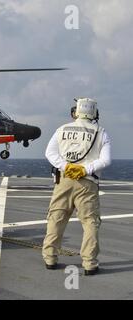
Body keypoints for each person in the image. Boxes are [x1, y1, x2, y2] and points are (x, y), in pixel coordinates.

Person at [43, 98, 111, 276]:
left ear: (76, 112)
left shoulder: (62, 129)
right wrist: (84, 169)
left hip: (63, 180)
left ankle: (50, 258)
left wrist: (67, 167)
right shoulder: (101, 132)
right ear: (94, 113)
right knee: (90, 222)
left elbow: (49, 153)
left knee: (56, 218)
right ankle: (89, 263)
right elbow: (106, 160)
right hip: (87, 182)